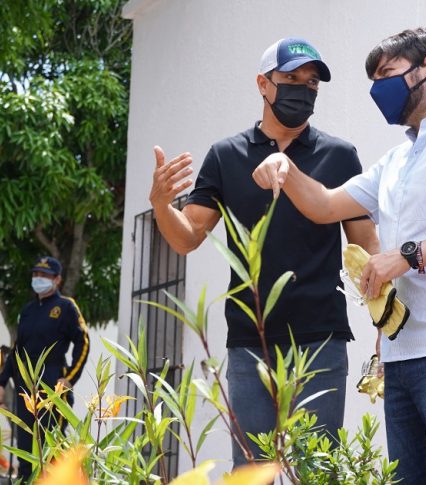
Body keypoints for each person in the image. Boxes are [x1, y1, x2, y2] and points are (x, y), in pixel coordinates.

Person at [252, 28, 426, 484]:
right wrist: (286, 166)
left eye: (388, 73)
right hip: (402, 359)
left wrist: (408, 255)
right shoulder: (399, 160)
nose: (379, 88)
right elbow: (324, 204)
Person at [149, 37, 379, 467]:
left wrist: (385, 324)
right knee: (252, 472)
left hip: (321, 341)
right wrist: (162, 204)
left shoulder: (340, 155)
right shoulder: (226, 155)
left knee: (317, 470)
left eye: (311, 83)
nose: (303, 89)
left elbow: (366, 245)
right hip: (250, 345)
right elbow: (188, 237)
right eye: (291, 78)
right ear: (263, 84)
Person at [0, 256, 90, 481]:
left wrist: (69, 378)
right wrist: (1, 381)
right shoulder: (27, 311)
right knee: (26, 449)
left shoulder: (66, 306)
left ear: (57, 280)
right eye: (36, 274)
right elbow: (18, 348)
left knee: (52, 449)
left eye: (44, 276)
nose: (38, 279)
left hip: (52, 385)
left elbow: (83, 341)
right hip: (25, 388)